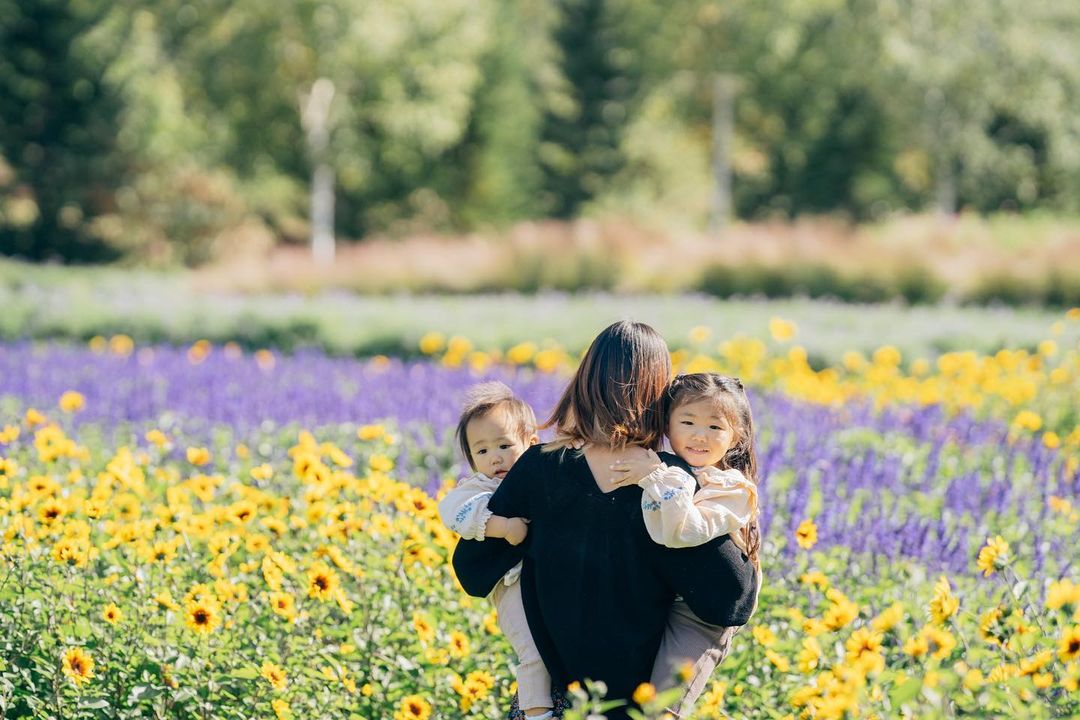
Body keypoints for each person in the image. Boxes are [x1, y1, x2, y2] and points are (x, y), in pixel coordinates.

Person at [452, 321, 758, 720]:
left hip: (551, 704)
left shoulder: (538, 468)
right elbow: (730, 600)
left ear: (585, 382)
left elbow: (472, 568)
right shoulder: (668, 481)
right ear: (659, 396)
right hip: (633, 706)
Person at [609, 372, 762, 717]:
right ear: (667, 425)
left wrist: (655, 477)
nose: (699, 435)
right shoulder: (665, 467)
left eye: (715, 427)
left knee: (662, 707)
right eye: (688, 422)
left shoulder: (733, 489)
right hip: (661, 593)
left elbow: (686, 531)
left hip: (703, 613)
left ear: (736, 436)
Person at [437, 382, 558, 719]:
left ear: (531, 445)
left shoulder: (540, 481)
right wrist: (502, 527)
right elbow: (454, 512)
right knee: (532, 649)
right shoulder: (480, 487)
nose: (495, 457)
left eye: (505, 445)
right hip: (511, 585)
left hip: (543, 581)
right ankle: (537, 713)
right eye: (482, 451)